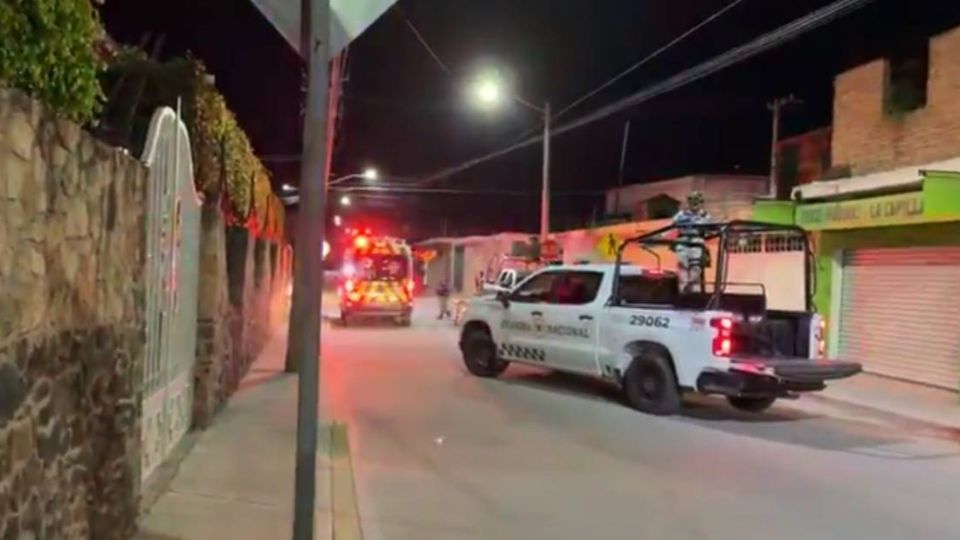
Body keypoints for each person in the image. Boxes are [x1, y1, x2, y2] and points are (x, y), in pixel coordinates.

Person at [671, 190, 712, 293]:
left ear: (701, 202)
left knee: (696, 266)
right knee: (682, 266)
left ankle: (692, 286)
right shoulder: (681, 214)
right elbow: (673, 224)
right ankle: (683, 288)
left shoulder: (705, 215)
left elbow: (708, 228)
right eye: (692, 200)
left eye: (697, 200)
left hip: (697, 241)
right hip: (683, 241)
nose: (694, 203)